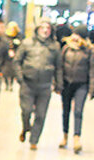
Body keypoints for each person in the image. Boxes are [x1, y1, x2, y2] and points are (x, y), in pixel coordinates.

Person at [15, 19, 61, 150]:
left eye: (48, 28)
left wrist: (59, 84)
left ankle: (34, 140)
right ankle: (25, 127)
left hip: (45, 86)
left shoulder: (55, 46)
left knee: (41, 114)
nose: (45, 30)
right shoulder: (27, 43)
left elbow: (59, 67)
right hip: (28, 84)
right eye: (42, 28)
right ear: (37, 29)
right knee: (26, 110)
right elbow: (17, 61)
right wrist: (20, 78)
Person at [58, 25, 94, 153]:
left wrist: (92, 88)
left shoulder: (90, 50)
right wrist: (58, 83)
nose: (74, 37)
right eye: (74, 34)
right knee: (66, 111)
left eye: (78, 35)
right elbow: (60, 68)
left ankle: (76, 138)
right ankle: (64, 136)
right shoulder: (66, 48)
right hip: (66, 83)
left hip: (81, 84)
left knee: (78, 111)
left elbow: (93, 70)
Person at [3, 22, 22, 91]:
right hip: (6, 55)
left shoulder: (19, 36)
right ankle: (6, 84)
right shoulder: (5, 35)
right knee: (5, 71)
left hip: (15, 55)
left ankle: (10, 84)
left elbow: (21, 44)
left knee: (12, 71)